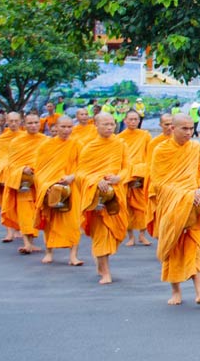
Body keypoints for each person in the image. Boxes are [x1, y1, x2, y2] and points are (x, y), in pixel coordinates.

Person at [150, 114, 200, 306]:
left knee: (194, 246)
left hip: (194, 203)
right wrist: (185, 194)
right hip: (171, 204)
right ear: (173, 128)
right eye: (184, 129)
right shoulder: (161, 150)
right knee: (173, 246)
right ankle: (176, 291)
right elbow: (158, 182)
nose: (189, 133)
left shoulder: (196, 147)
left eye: (191, 129)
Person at [78, 113, 130, 285]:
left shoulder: (120, 144)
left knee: (113, 233)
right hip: (96, 196)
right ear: (96, 126)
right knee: (101, 234)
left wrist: (118, 178)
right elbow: (81, 173)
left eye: (112, 124)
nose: (109, 127)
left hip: (115, 195)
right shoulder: (90, 147)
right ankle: (106, 272)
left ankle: (101, 263)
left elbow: (127, 168)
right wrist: (95, 181)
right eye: (105, 124)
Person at [34, 115, 86, 266]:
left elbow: (84, 168)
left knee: (73, 222)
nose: (66, 130)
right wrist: (48, 185)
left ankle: (73, 256)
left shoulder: (78, 145)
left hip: (72, 187)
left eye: (69, 127)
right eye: (62, 127)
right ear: (55, 128)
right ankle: (49, 251)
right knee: (50, 221)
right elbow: (40, 170)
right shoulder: (46, 146)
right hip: (51, 188)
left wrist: (72, 177)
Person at [0, 113, 40, 251]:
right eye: (30, 123)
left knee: (35, 213)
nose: (33, 126)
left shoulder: (45, 140)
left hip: (38, 181)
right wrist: (22, 169)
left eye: (35, 123)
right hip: (22, 181)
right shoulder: (14, 142)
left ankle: (31, 242)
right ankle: (25, 243)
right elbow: (10, 163)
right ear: (25, 124)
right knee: (24, 211)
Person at [117, 110, 155, 248]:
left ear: (139, 121)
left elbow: (149, 154)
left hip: (141, 174)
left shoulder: (145, 135)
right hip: (127, 175)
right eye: (130, 119)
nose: (133, 122)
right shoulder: (120, 138)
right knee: (128, 207)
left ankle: (142, 235)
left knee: (143, 206)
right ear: (125, 121)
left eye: (135, 119)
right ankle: (131, 236)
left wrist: (144, 170)